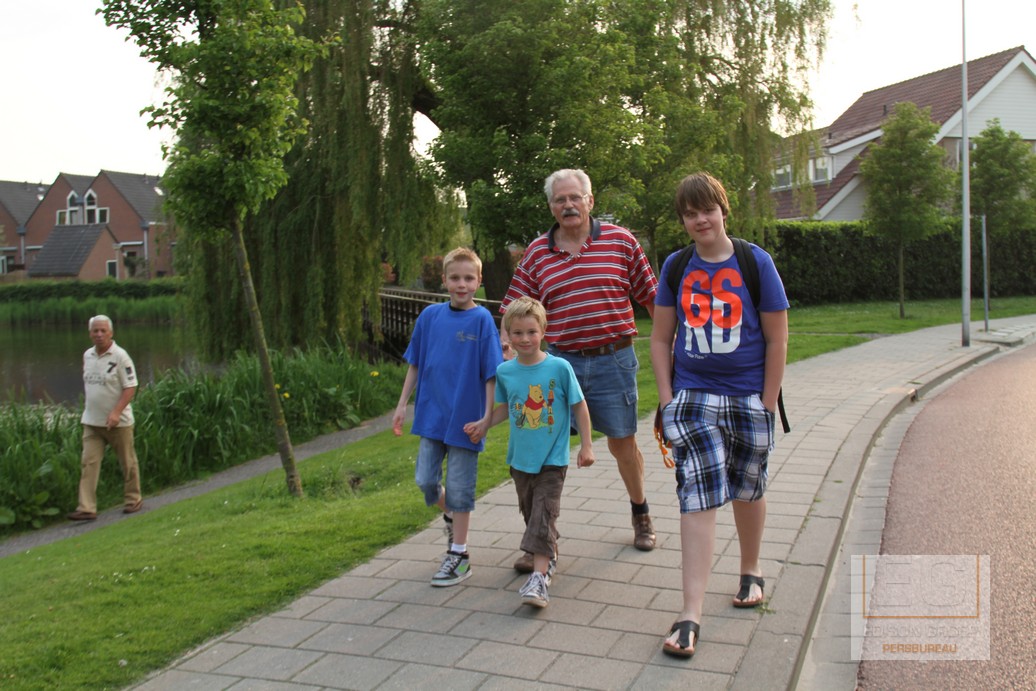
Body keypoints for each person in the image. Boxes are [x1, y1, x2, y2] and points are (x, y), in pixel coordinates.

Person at [649, 172, 788, 658]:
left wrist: (767, 402)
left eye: (707, 210)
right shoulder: (676, 266)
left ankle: (750, 569)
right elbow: (660, 338)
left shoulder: (755, 262)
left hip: (748, 397)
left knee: (749, 488)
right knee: (699, 493)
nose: (700, 220)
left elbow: (777, 338)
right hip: (693, 399)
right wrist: (667, 399)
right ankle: (690, 614)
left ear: (723, 209)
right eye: (690, 214)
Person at [499, 168, 659, 570]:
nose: (568, 205)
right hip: (558, 365)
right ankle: (539, 540)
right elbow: (513, 309)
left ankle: (640, 511)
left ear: (590, 201)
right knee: (544, 451)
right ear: (551, 206)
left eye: (575, 198)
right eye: (560, 199)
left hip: (613, 360)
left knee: (622, 444)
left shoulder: (621, 241)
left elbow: (652, 297)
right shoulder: (537, 253)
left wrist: (670, 347)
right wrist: (508, 351)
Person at [465, 296, 594, 608]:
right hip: (520, 460)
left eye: (531, 332)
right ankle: (547, 548)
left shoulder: (559, 367)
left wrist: (587, 445)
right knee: (530, 512)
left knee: (543, 512)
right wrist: (484, 423)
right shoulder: (506, 371)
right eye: (518, 333)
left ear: (543, 331)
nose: (525, 339)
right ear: (508, 335)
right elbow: (507, 408)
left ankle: (539, 578)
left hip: (552, 459)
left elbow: (579, 405)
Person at [392, 247, 503, 587]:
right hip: (431, 416)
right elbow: (416, 363)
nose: (461, 284)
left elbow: (491, 374)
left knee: (460, 487)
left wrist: (486, 419)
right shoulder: (430, 317)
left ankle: (459, 555)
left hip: (467, 420)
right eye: (455, 278)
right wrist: (402, 404)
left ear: (479, 281)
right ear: (444, 280)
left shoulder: (482, 320)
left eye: (469, 278)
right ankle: (452, 515)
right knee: (425, 480)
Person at [67, 315, 144, 521]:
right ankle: (87, 507)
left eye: (103, 331)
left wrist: (116, 412)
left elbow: (130, 387)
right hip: (92, 421)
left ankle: (133, 499)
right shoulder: (88, 355)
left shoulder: (120, 356)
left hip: (118, 423)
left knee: (127, 462)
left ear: (111, 333)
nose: (99, 334)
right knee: (88, 463)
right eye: (95, 331)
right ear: (90, 333)